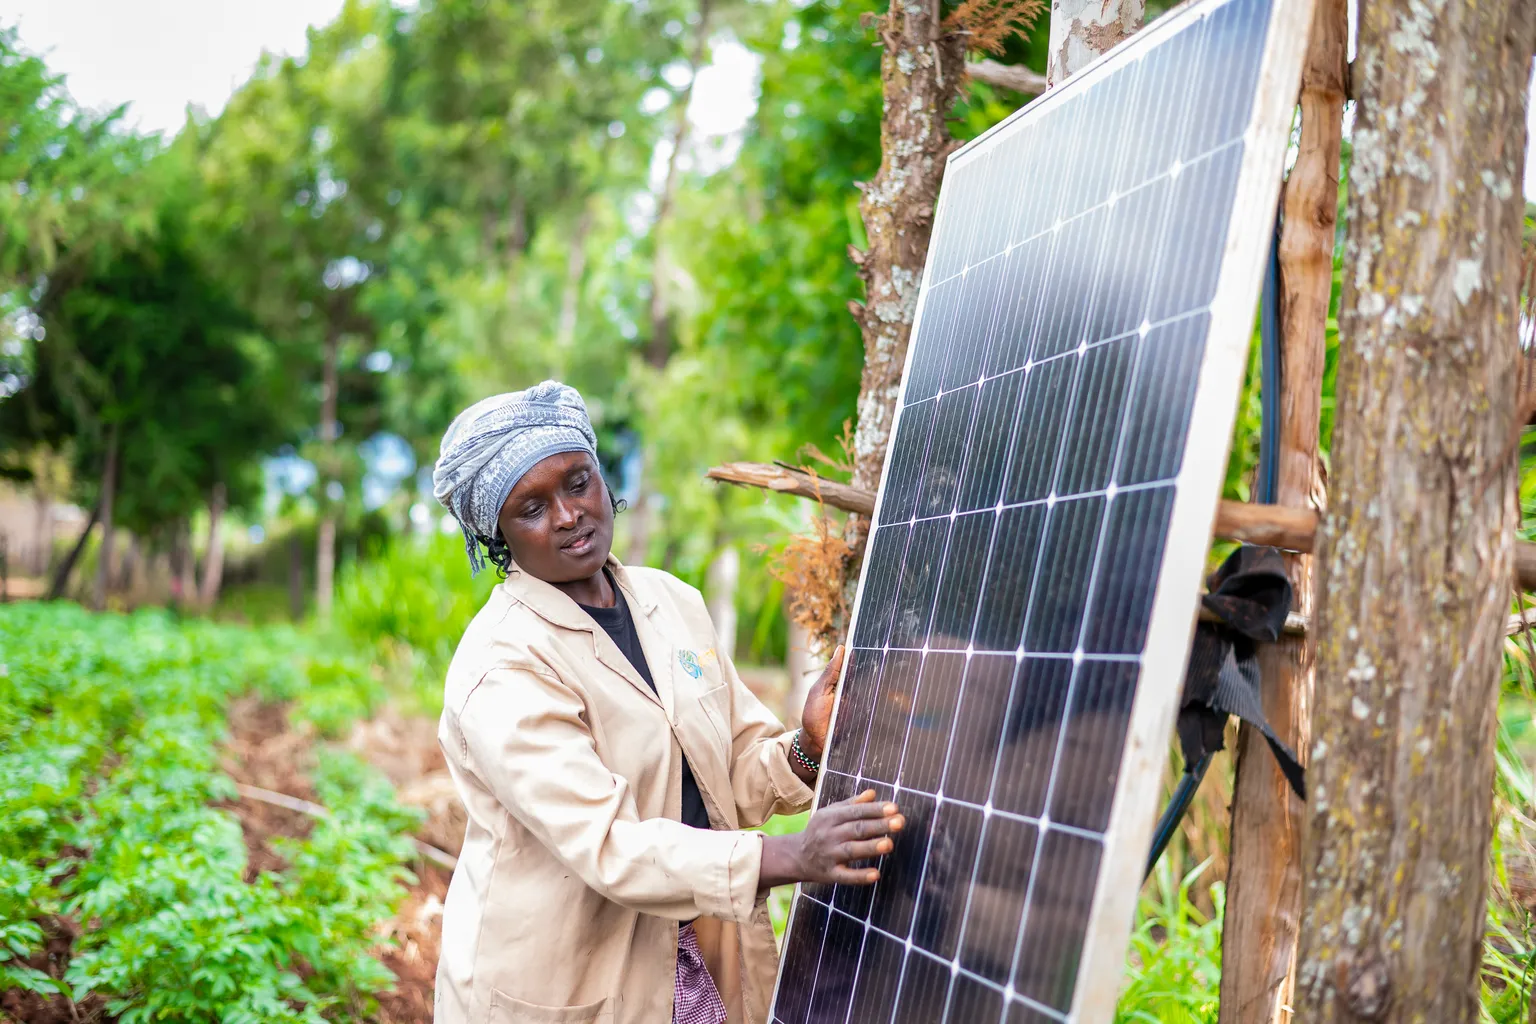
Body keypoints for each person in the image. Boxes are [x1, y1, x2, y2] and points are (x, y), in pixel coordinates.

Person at [430, 381, 905, 1024]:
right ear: (498, 534)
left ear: (603, 477)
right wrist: (792, 855)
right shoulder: (504, 665)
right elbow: (608, 844)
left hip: (695, 954)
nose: (569, 515)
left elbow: (724, 779)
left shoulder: (670, 603)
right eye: (531, 508)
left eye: (577, 482)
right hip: (569, 976)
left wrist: (806, 748)